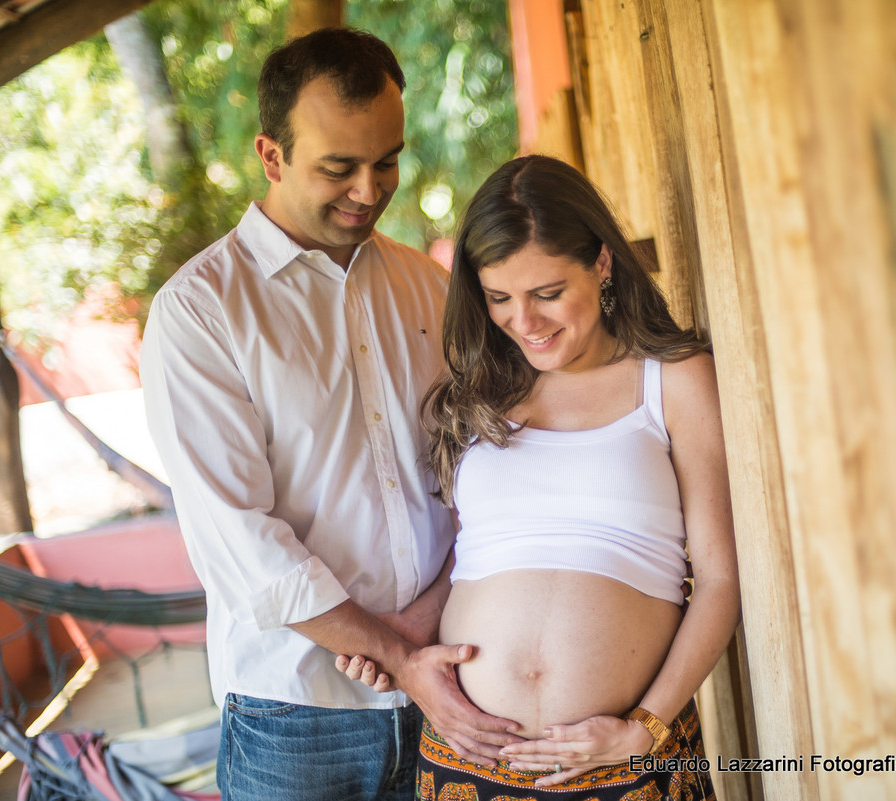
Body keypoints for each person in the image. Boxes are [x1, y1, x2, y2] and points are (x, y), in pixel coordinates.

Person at [140, 28, 518, 801]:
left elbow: (485, 470)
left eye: (387, 161)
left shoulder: (428, 286)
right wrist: (395, 649)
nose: (370, 189)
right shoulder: (200, 312)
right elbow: (241, 540)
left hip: (455, 680)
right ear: (271, 156)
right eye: (338, 167)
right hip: (295, 720)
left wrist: (423, 630)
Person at [341, 154, 741, 801]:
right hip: (467, 760)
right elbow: (475, 559)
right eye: (499, 298)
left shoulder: (673, 379)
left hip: (618, 761)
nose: (524, 321)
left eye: (547, 293)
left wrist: (644, 728)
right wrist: (400, 642)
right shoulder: (480, 391)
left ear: (602, 261)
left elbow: (721, 577)